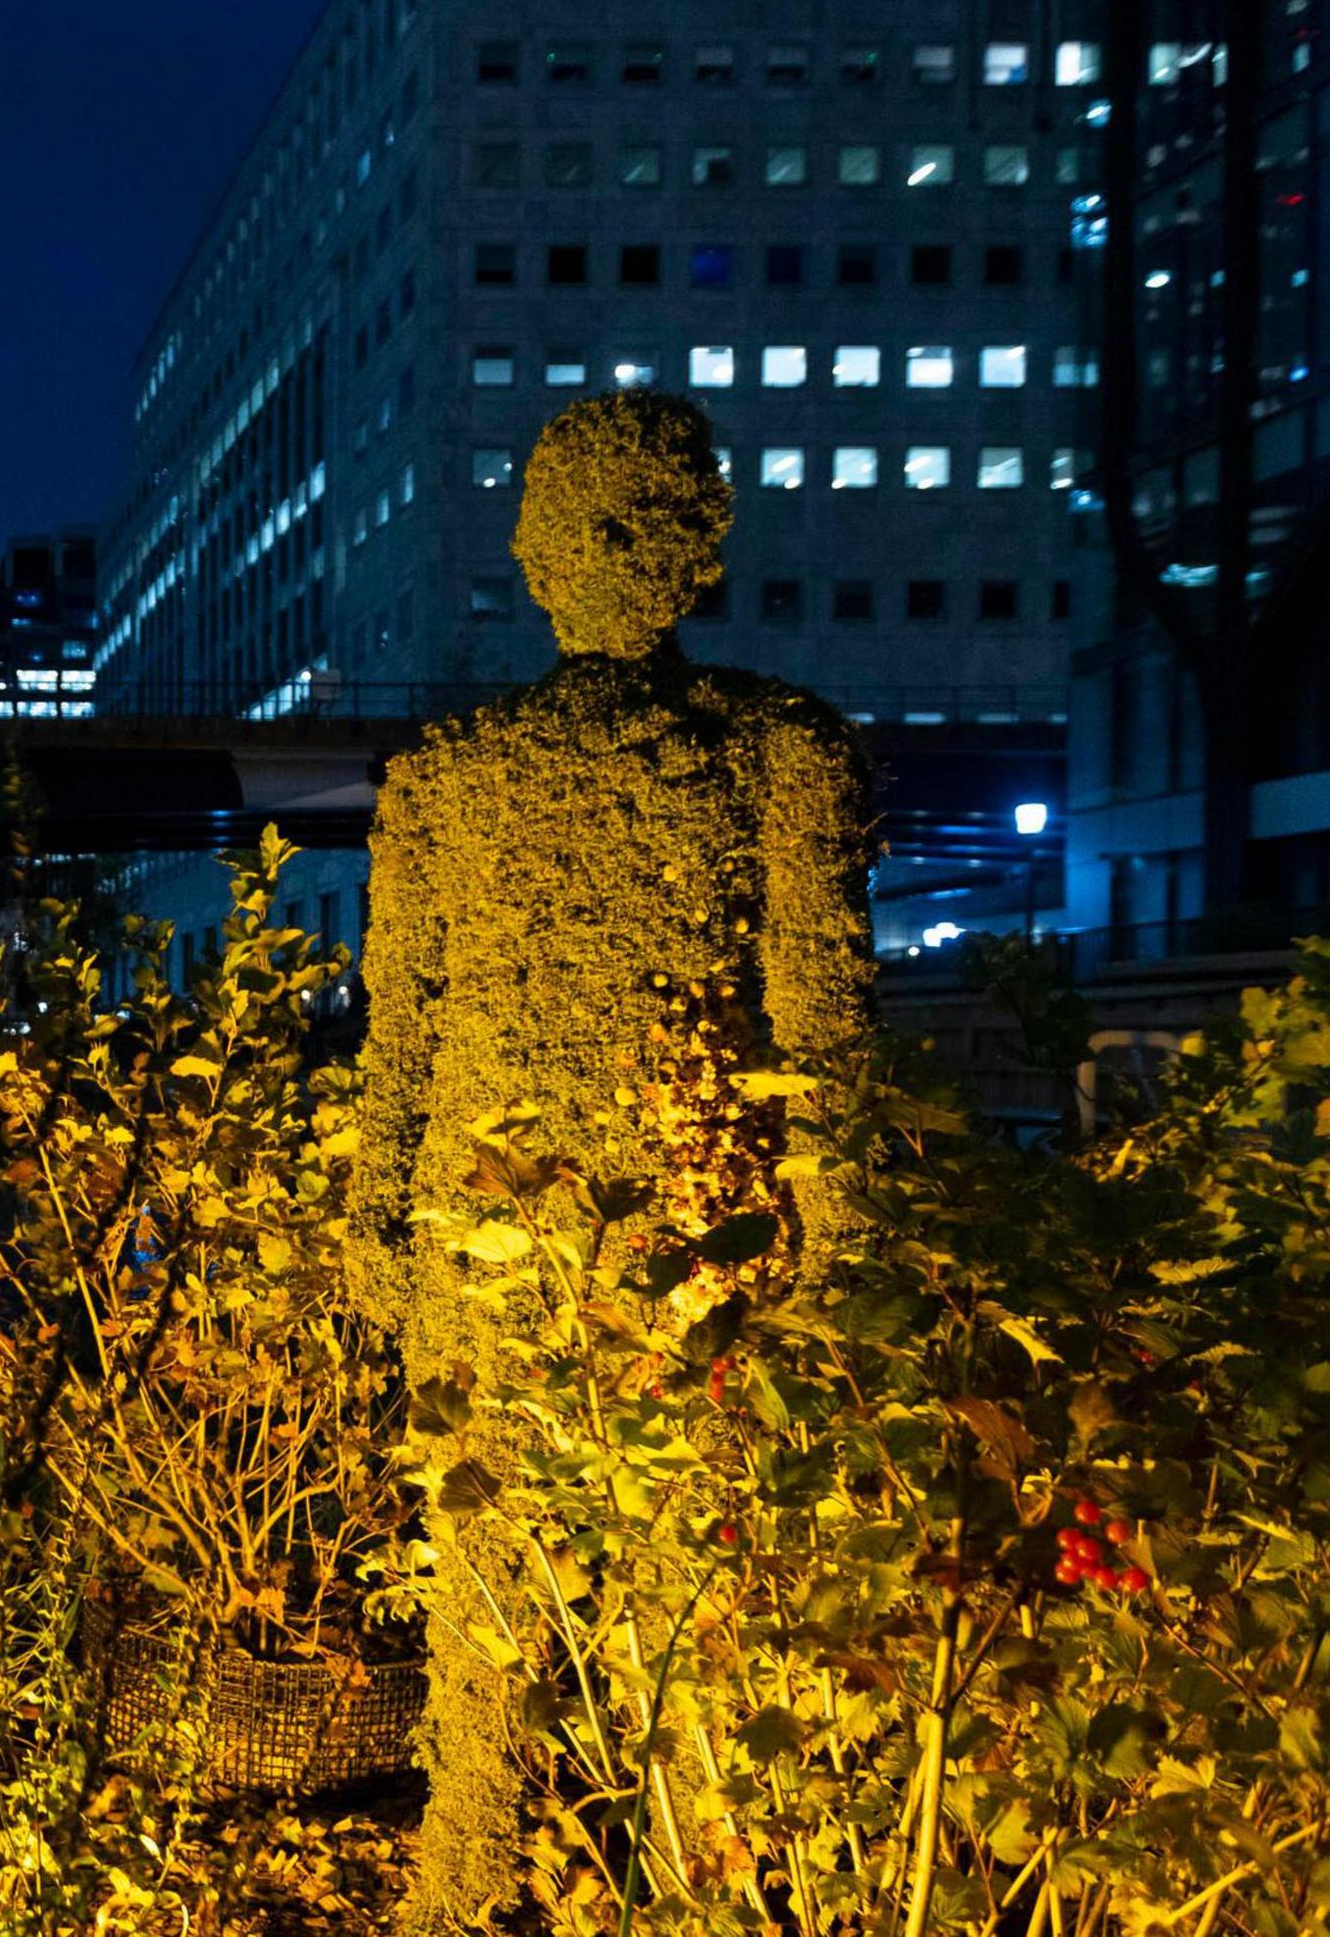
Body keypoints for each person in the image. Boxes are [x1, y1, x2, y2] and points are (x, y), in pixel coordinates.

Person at [355, 390, 874, 1925]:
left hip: (694, 1237)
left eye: (648, 513)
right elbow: (401, 1029)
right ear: (527, 551)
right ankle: (468, 1879)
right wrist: (375, 1206)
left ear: (702, 545)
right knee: (482, 1577)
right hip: (486, 1238)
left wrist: (829, 1207)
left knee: (691, 1581)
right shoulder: (442, 783)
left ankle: (684, 1875)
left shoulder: (782, 757)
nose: (605, 547)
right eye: (578, 515)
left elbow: (820, 1012)